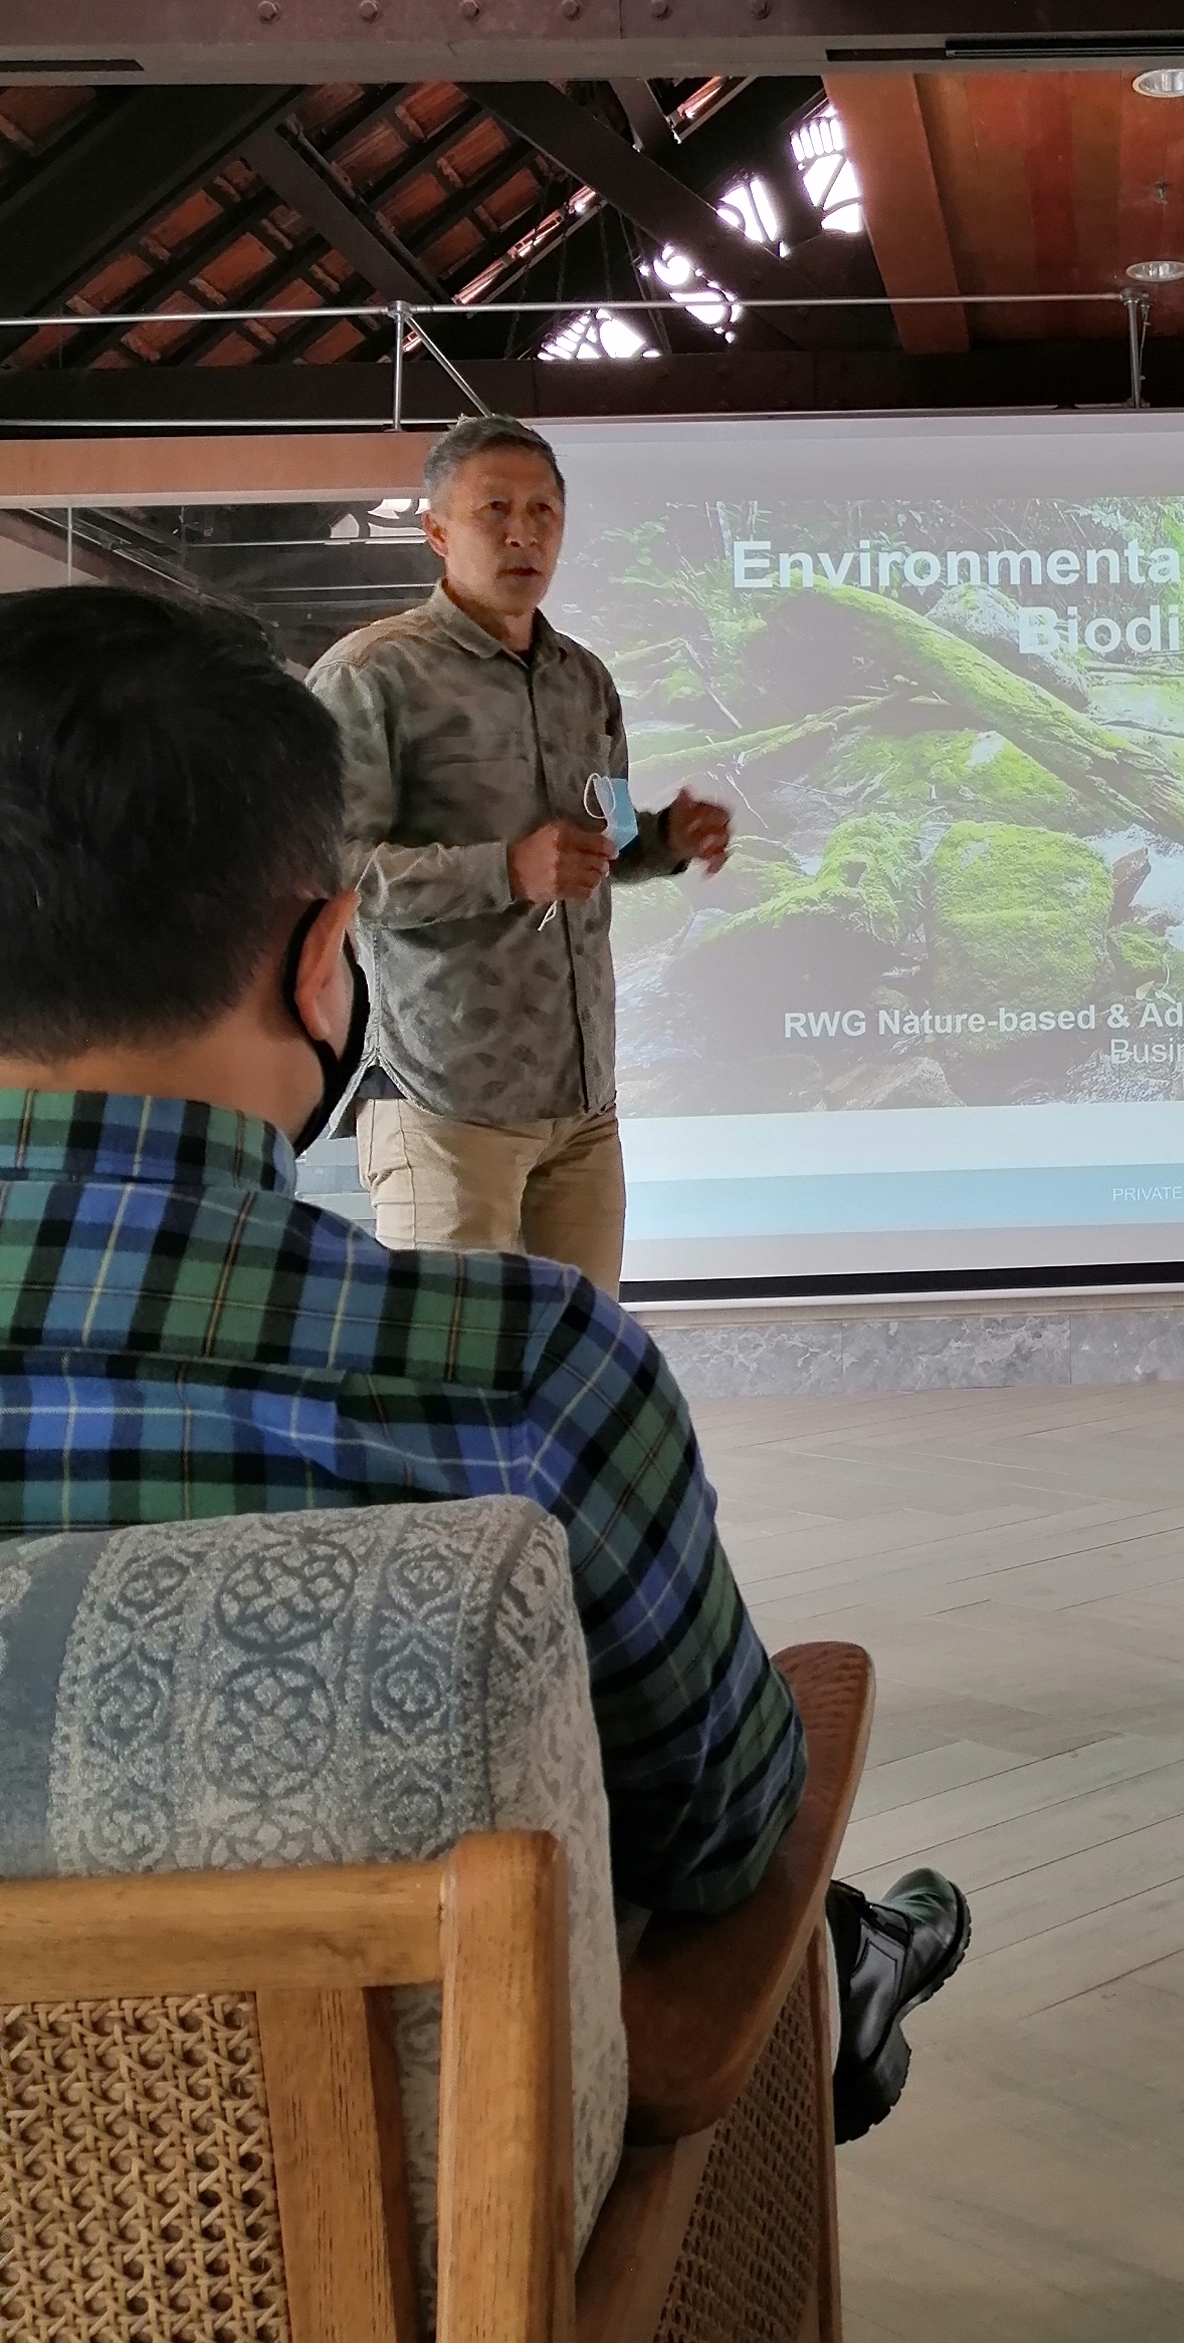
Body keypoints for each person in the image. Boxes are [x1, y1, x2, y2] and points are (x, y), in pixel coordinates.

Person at [0, 586, 965, 2137]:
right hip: (427, 2262)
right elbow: (719, 1830)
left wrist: (645, 847)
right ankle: (853, 1975)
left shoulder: (577, 678)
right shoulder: (519, 1370)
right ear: (328, 962)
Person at [307, 413, 728, 1301]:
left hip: (582, 1108)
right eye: (494, 508)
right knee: (457, 1398)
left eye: (544, 510)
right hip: (444, 1104)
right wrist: (504, 870)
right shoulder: (372, 676)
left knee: (581, 1379)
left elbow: (606, 843)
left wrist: (665, 840)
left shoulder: (586, 680)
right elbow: (334, 872)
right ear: (436, 531)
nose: (522, 530)